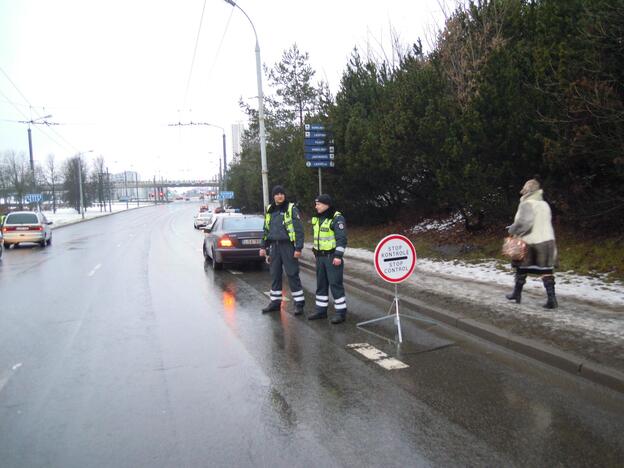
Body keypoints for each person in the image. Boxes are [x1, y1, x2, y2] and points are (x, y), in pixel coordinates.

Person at [506, 178, 558, 308]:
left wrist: (512, 229)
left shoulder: (527, 204)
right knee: (546, 270)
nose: (522, 191)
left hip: (531, 242)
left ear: (528, 190)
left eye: (524, 188)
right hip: (547, 242)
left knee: (521, 268)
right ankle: (552, 300)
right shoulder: (544, 204)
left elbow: (525, 224)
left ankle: (516, 294)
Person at [259, 185, 306, 315]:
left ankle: (299, 304)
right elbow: (266, 229)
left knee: (292, 274)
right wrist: (263, 246)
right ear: (273, 196)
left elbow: (299, 231)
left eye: (282, 193)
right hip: (274, 246)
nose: (280, 196)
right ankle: (275, 303)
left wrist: (298, 248)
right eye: (277, 194)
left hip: (288, 246)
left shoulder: (291, 208)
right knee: (275, 275)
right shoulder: (270, 209)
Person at [307, 194, 348, 324]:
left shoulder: (336, 218)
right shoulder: (318, 218)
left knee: (335, 285)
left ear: (326, 205)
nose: (316, 206)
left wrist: (338, 256)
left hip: (332, 257)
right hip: (320, 257)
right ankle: (321, 310)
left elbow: (341, 239)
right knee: (321, 285)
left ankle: (341, 313)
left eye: (318, 204)